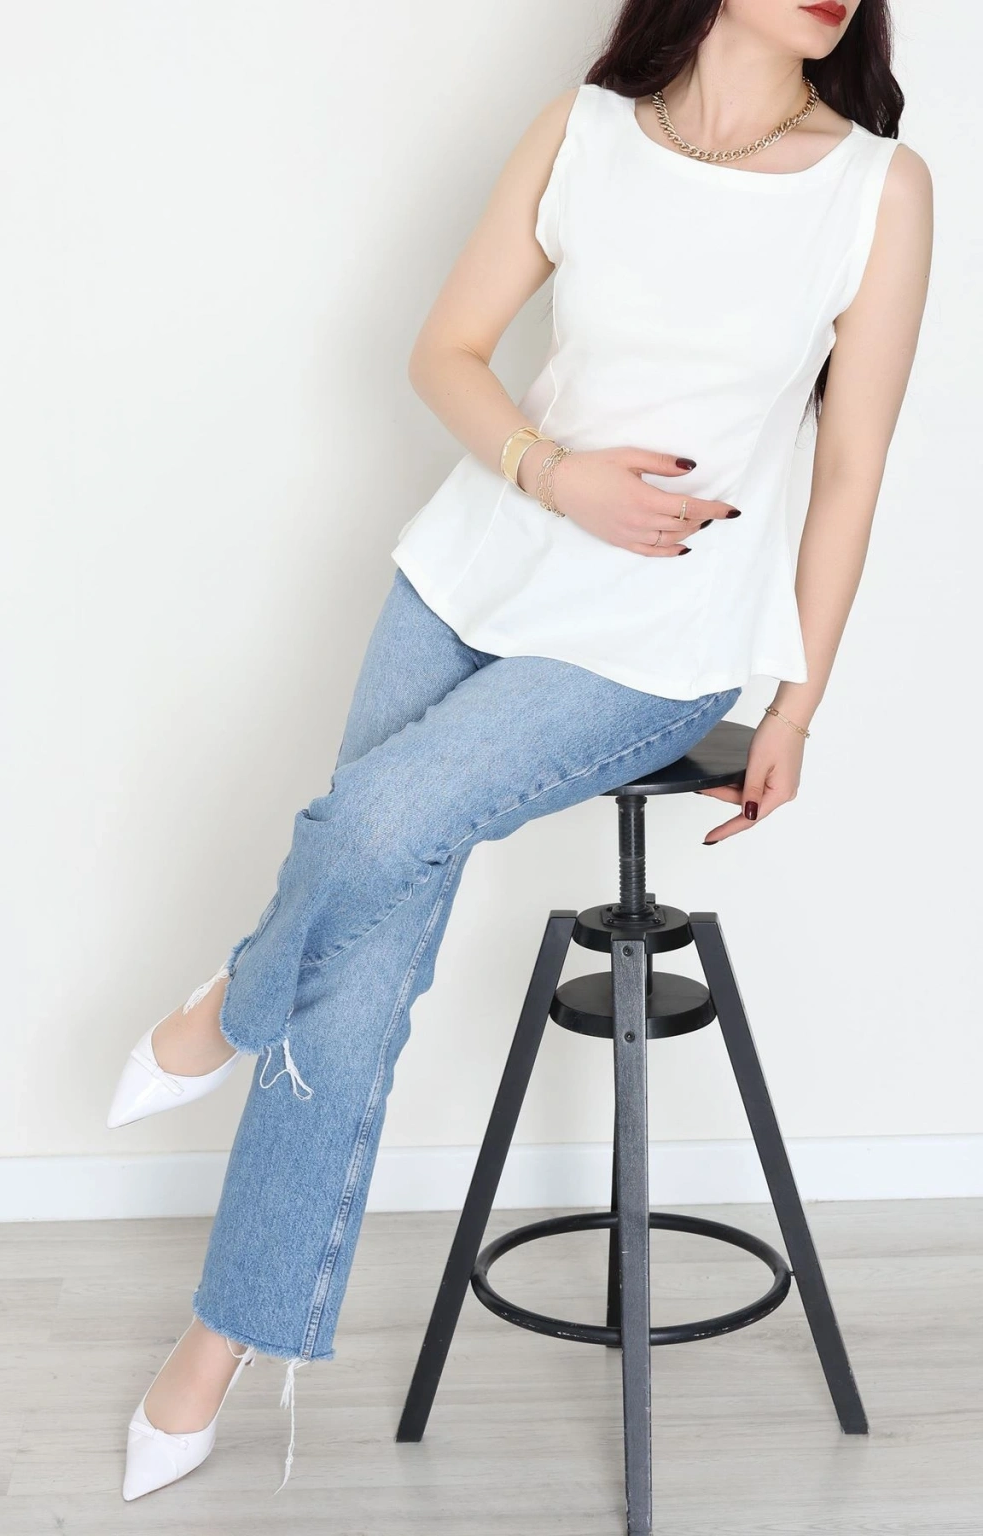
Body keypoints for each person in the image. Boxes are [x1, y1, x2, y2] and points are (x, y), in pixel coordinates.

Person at [106, 0, 932, 1503]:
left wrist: (795, 706)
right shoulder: (586, 130)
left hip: (657, 647)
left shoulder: (878, 187)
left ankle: (228, 1002)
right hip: (466, 575)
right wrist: (556, 478)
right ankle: (221, 1345)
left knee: (372, 824)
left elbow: (853, 470)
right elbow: (446, 351)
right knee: (367, 956)